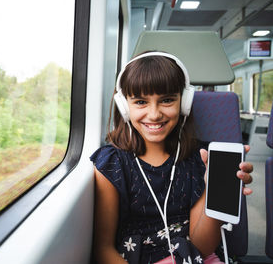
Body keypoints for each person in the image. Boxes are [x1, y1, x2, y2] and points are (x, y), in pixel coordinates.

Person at [90, 52, 254, 264]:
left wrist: (213, 192)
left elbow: (202, 247)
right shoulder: (112, 164)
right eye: (140, 102)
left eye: (167, 100)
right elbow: (103, 250)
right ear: (124, 106)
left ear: (184, 102)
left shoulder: (200, 159)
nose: (154, 114)